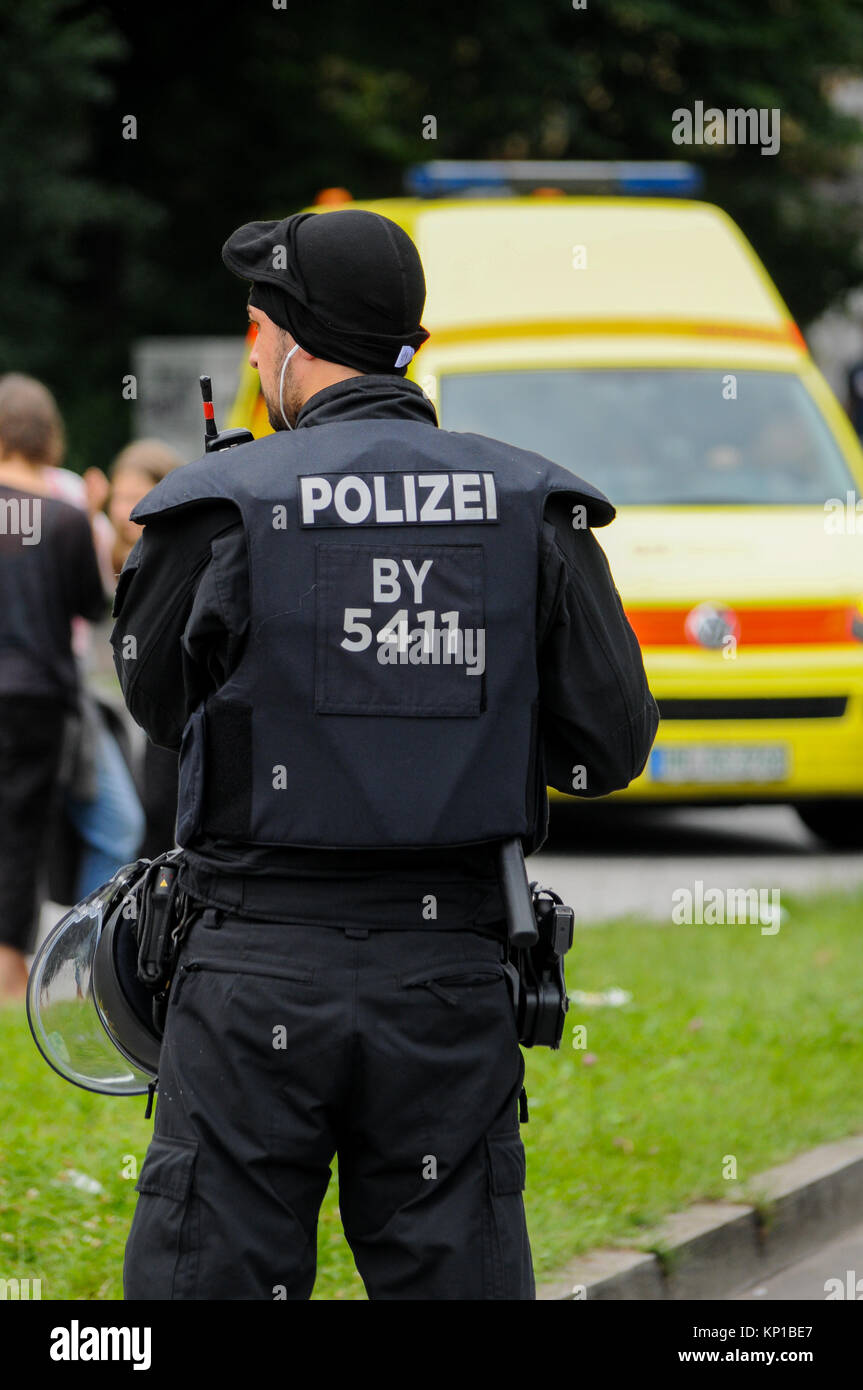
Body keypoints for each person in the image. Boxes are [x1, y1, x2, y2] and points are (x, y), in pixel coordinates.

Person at [110, 208, 659, 1300]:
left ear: (286, 340)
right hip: (448, 979)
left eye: (256, 331)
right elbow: (609, 744)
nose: (252, 353)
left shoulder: (221, 505)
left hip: (251, 975)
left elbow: (157, 701)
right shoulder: (530, 505)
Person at [0, 374, 106, 1002]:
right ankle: (10, 973)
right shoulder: (64, 518)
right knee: (20, 835)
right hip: (37, 696)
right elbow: (91, 607)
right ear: (48, 434)